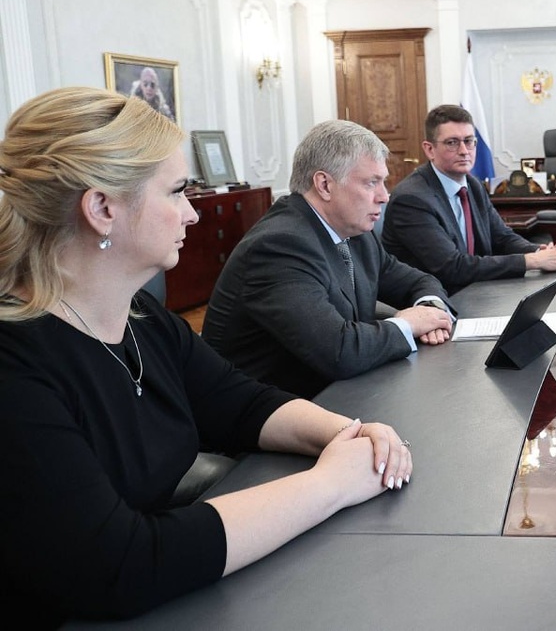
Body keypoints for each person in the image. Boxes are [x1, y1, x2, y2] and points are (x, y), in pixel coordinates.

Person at [0, 88, 412, 625]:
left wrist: (352, 434)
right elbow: (118, 564)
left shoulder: (146, 321)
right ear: (102, 208)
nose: (192, 214)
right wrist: (330, 484)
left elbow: (241, 403)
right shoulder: (15, 364)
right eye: (176, 192)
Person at [202, 119, 455, 399]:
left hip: (336, 392)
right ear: (324, 185)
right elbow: (339, 352)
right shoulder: (279, 246)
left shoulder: (355, 233)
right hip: (268, 409)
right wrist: (409, 325)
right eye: (372, 182)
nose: (384, 196)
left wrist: (430, 309)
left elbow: (417, 281)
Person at [382, 104, 556, 294]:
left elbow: (502, 238)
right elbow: (453, 267)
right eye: (452, 142)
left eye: (469, 141)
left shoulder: (472, 185)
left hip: (476, 290)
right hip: (439, 300)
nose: (464, 151)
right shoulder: (412, 199)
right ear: (429, 149)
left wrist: (543, 252)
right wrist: (533, 261)